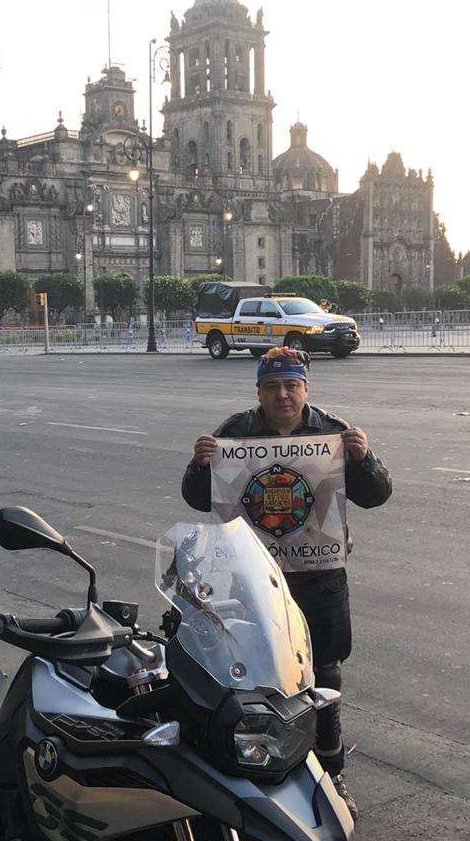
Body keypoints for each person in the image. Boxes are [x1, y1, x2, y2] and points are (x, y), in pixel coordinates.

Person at [181, 346, 392, 819]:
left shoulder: (333, 432)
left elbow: (376, 495)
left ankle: (332, 773)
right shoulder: (234, 432)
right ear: (258, 391)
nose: (282, 395)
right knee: (255, 677)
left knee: (324, 677)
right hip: (253, 583)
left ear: (305, 389)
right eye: (272, 386)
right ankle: (260, 767)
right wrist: (200, 466)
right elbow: (199, 500)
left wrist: (365, 459)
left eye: (291, 385)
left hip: (319, 578)